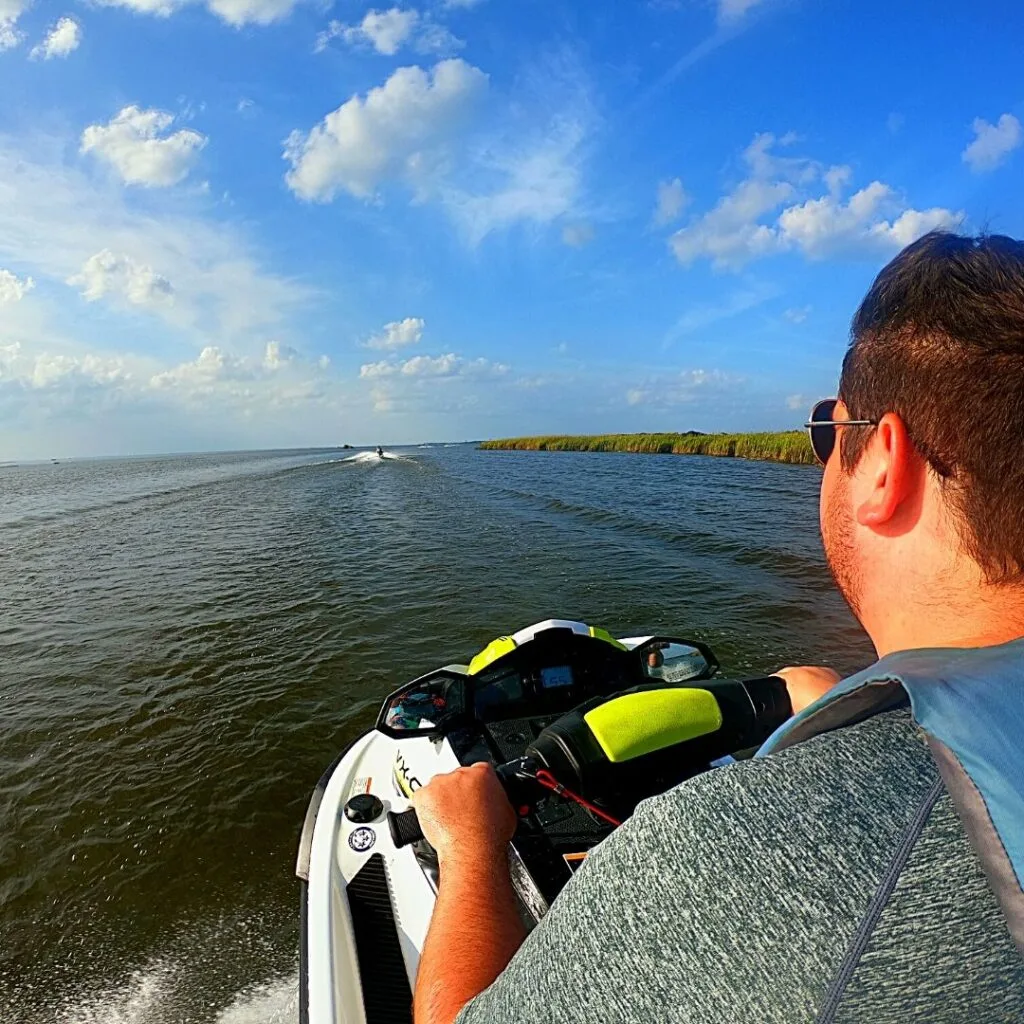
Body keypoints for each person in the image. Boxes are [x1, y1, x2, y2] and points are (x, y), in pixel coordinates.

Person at [411, 232, 1024, 1024]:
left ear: (883, 464)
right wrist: (849, 708)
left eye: (827, 435)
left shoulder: (752, 856)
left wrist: (468, 849)